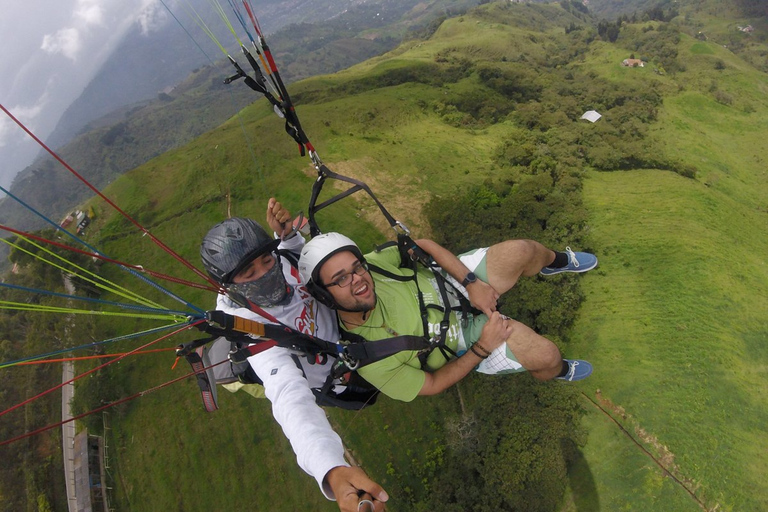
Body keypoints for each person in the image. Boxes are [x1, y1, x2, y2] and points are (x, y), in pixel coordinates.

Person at [200, 200, 387, 512]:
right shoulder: (250, 329)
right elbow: (288, 395)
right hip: (344, 376)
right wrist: (331, 469)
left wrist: (288, 237)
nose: (264, 272)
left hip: (353, 331)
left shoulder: (284, 257)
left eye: (264, 259)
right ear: (228, 285)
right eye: (249, 272)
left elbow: (298, 262)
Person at [298, 233, 597, 402]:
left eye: (356, 267)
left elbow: (421, 245)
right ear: (324, 295)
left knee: (522, 250)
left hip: (451, 283)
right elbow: (432, 383)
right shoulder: (370, 357)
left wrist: (471, 283)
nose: (358, 279)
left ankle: (555, 261)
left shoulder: (372, 267)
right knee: (546, 356)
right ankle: (559, 370)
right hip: (464, 341)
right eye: (341, 279)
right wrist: (482, 347)